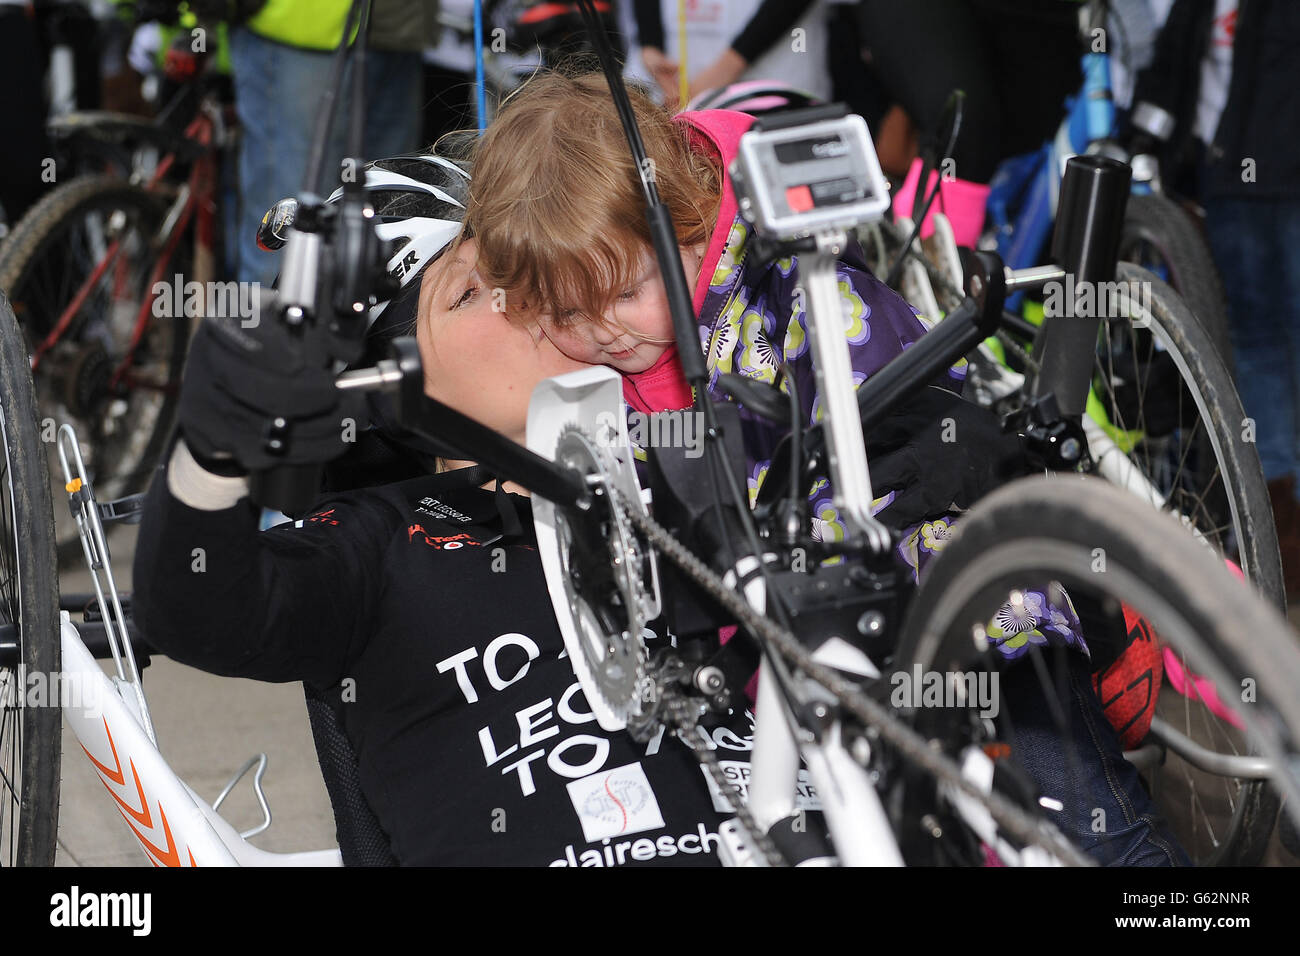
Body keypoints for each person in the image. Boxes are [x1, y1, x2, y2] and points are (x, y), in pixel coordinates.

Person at [461, 72, 1188, 865]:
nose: (604, 331)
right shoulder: (616, 353)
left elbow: (897, 413)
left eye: (627, 292)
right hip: (806, 664)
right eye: (567, 315)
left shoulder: (802, 293)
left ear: (688, 221)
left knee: (1087, 830)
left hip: (967, 615)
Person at [131, 163, 765, 866]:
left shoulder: (701, 457)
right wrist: (214, 451)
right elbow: (199, 610)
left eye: (530, 259)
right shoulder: (381, 540)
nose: (522, 289)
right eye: (469, 290)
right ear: (390, 382)